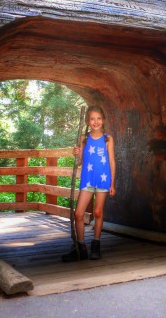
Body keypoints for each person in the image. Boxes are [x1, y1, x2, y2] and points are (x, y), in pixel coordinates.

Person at [62, 105, 116, 262]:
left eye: (99, 118)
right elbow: (80, 162)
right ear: (87, 121)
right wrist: (76, 154)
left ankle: (96, 245)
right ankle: (81, 247)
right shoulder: (84, 139)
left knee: (98, 212)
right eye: (92, 119)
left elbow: (112, 161)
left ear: (103, 120)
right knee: (78, 214)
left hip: (103, 179)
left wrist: (112, 183)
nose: (96, 121)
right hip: (87, 178)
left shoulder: (108, 139)